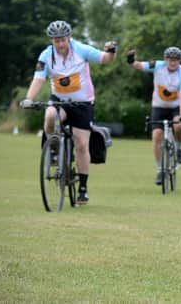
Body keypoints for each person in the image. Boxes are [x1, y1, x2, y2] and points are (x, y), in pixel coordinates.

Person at [20, 20, 117, 205]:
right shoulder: (46, 55)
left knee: (81, 144)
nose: (60, 44)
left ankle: (83, 188)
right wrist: (29, 99)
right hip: (60, 101)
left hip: (83, 103)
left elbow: (105, 59)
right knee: (49, 115)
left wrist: (111, 51)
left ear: (69, 37)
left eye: (63, 39)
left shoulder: (81, 49)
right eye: (56, 41)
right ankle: (54, 150)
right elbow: (38, 79)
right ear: (51, 40)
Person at [127, 46, 181, 185]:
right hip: (159, 107)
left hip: (175, 107)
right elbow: (138, 65)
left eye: (176, 60)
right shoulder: (157, 66)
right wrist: (131, 59)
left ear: (179, 61)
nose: (172, 62)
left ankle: (179, 148)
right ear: (165, 59)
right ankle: (160, 170)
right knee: (156, 136)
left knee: (179, 125)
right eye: (170, 59)